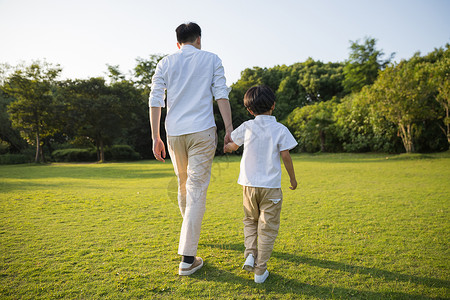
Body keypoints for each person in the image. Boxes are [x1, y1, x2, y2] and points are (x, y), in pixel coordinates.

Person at [149, 22, 233, 276]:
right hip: (202, 131)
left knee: (184, 186)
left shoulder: (165, 62)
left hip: (173, 133)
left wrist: (155, 137)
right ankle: (188, 258)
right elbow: (221, 95)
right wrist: (229, 129)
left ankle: (190, 236)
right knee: (195, 188)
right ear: (199, 39)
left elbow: (155, 99)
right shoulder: (211, 58)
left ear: (178, 43)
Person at [224, 85, 297, 283]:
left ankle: (250, 253)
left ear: (249, 110)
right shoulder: (280, 129)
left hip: (248, 186)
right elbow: (285, 155)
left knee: (250, 221)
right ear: (273, 105)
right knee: (268, 227)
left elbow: (233, 145)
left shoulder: (247, 126)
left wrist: (227, 147)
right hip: (271, 187)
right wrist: (292, 178)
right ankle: (260, 270)